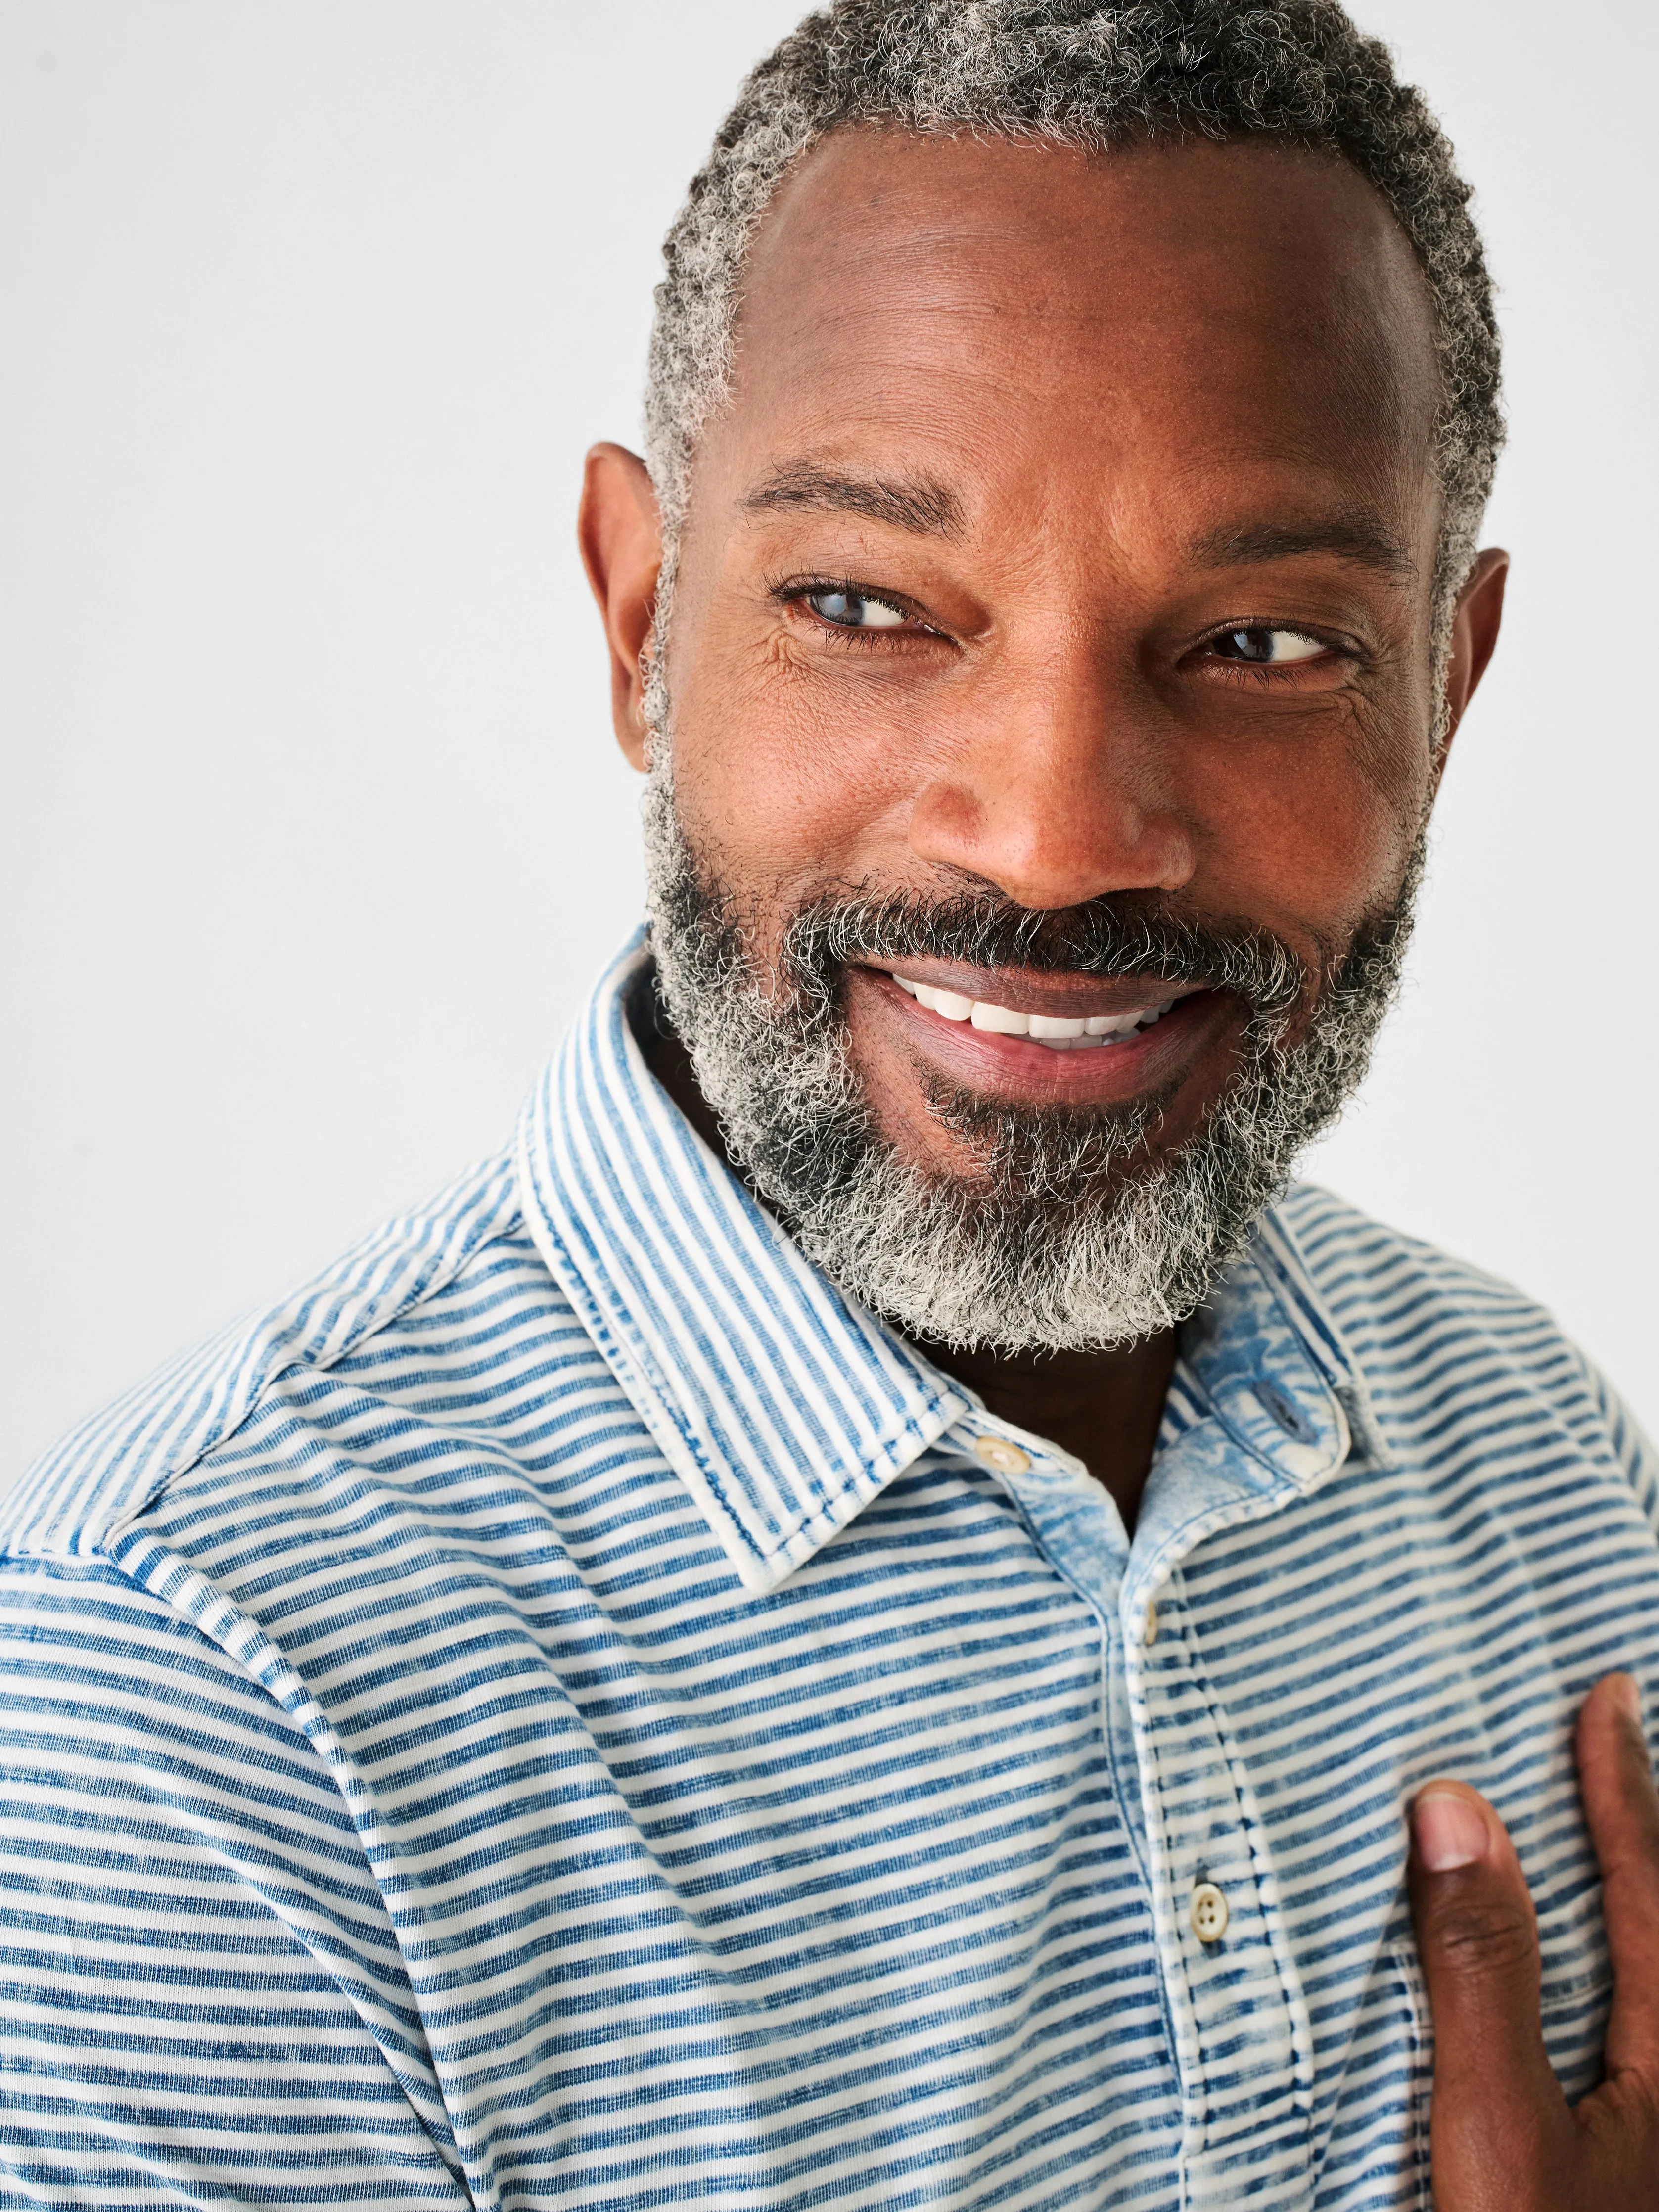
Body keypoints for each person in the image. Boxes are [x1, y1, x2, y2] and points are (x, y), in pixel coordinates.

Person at [1, 1, 1655, 2205]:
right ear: (640, 622)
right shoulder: (194, 1717)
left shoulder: (1533, 1458)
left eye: (1263, 642)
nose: (1058, 835)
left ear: (1444, 690)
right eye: (868, 603)